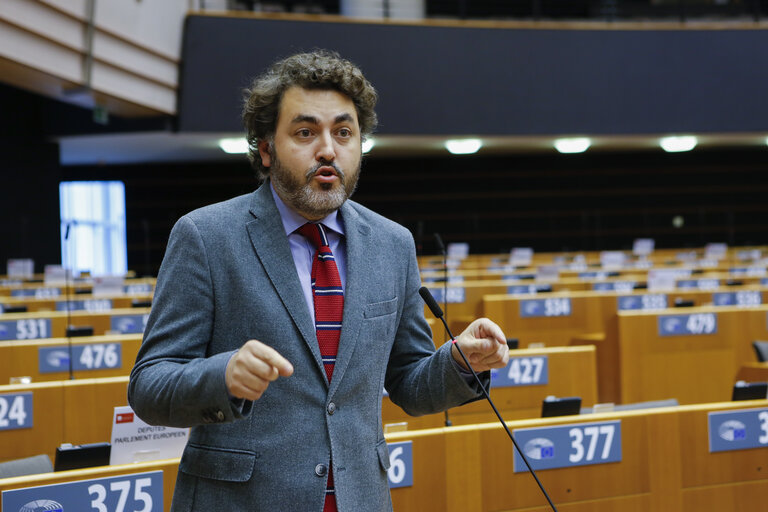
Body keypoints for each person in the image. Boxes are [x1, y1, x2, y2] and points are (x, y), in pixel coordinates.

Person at [128, 50, 509, 512]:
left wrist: (460, 363)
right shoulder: (206, 237)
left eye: (344, 133)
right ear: (266, 149)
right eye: (305, 132)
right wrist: (222, 377)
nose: (328, 149)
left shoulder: (393, 244)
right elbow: (149, 386)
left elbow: (408, 380)